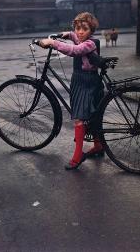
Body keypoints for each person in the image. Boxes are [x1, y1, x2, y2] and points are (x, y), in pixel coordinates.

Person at [39, 12, 104, 170]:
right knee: (93, 115)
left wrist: (52, 43)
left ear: (91, 30)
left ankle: (78, 155)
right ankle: (98, 145)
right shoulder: (79, 36)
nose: (80, 32)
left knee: (79, 117)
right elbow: (72, 36)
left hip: (86, 82)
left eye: (85, 29)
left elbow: (74, 51)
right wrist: (62, 34)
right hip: (81, 80)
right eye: (78, 28)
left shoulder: (89, 44)